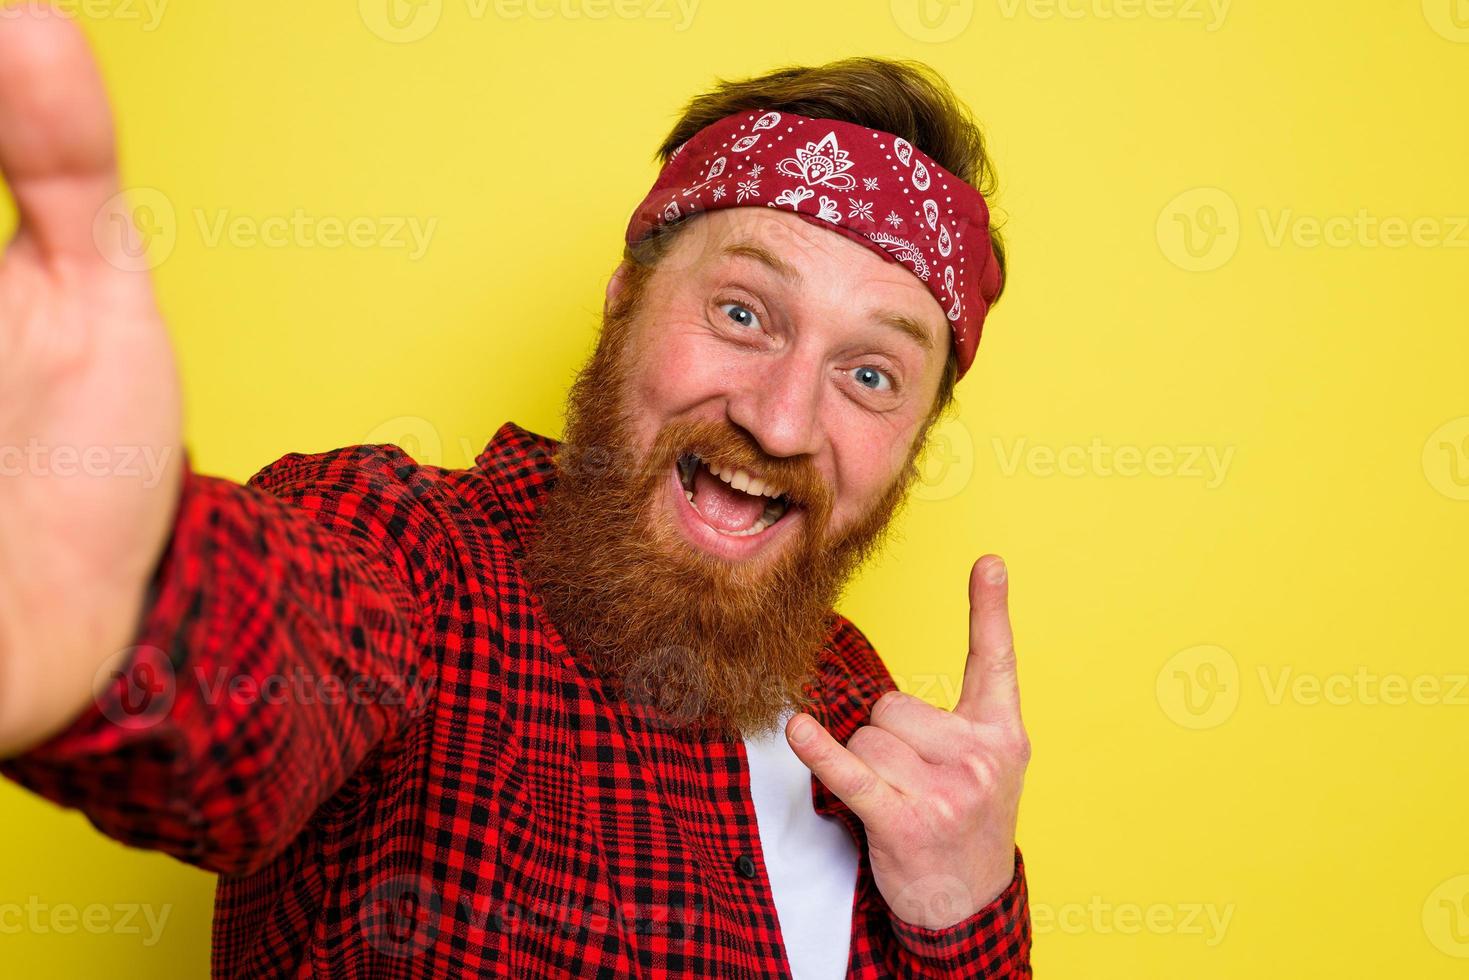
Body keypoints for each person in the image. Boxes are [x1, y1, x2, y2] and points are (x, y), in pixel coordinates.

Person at [0, 6, 1033, 977]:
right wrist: (125, 596)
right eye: (741, 312)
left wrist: (965, 908)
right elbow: (268, 672)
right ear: (622, 301)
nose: (778, 419)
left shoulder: (871, 723)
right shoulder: (415, 551)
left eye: (868, 375)